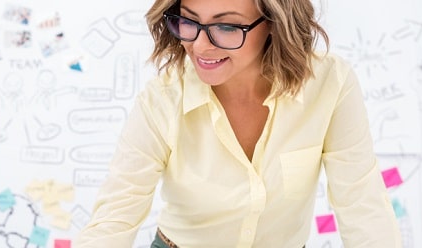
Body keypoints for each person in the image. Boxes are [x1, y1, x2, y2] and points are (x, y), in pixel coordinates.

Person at [76, 0, 401, 247]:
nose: (200, 46)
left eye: (228, 27)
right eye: (188, 21)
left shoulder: (330, 83)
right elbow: (116, 214)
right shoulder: (162, 98)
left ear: (275, 22)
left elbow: (361, 202)